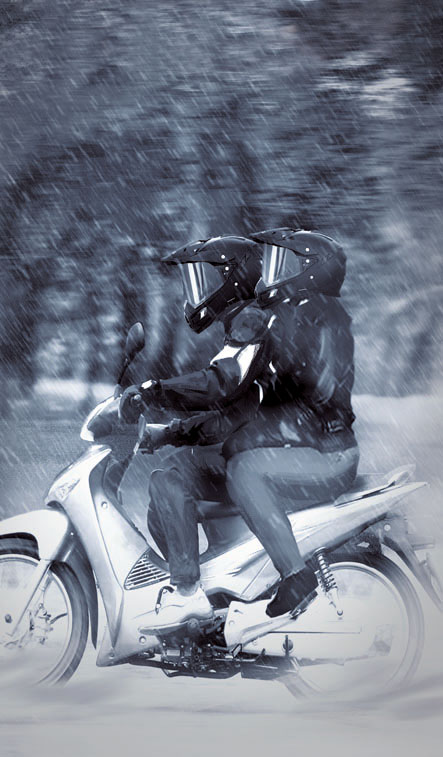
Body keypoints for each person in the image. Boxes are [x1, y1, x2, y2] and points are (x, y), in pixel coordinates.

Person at [121, 229, 359, 631]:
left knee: (244, 471)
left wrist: (155, 391)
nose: (273, 275)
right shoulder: (279, 320)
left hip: (320, 450)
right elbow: (234, 414)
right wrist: (170, 433)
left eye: (203, 279)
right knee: (169, 479)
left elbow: (222, 385)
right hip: (294, 443)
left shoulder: (279, 320)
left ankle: (294, 577)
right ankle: (196, 594)